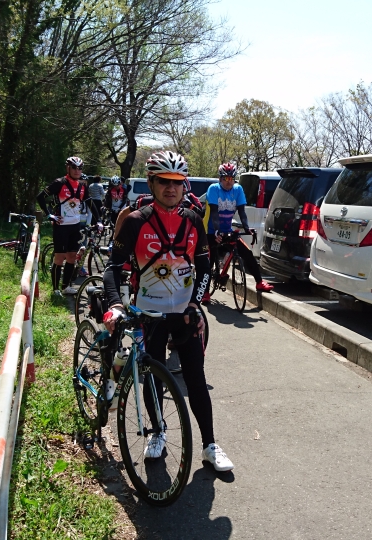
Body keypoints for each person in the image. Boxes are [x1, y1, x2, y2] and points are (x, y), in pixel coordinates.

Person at [102, 150, 234, 472]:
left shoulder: (192, 221)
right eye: (163, 181)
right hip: (148, 315)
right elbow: (112, 268)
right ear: (151, 182)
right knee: (152, 379)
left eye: (177, 182)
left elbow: (204, 268)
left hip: (184, 315)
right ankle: (157, 433)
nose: (171, 188)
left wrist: (195, 304)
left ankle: (209, 444)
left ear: (183, 184)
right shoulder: (135, 221)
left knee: (196, 379)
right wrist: (115, 305)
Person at [203, 162, 273, 303]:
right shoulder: (214, 189)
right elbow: (214, 213)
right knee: (208, 262)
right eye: (225, 178)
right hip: (211, 230)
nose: (229, 182)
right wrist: (216, 231)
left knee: (247, 253)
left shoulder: (238, 189)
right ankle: (205, 292)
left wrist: (247, 228)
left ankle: (259, 282)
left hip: (227, 230)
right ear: (220, 179)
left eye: (231, 178)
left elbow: (242, 211)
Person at [37, 156, 88, 296]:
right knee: (59, 258)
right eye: (74, 168)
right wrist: (49, 215)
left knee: (72, 257)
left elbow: (90, 203)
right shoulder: (60, 183)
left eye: (80, 168)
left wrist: (99, 221)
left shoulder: (83, 185)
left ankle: (66, 286)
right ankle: (55, 289)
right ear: (68, 168)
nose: (77, 171)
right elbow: (40, 197)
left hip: (75, 225)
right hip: (61, 226)